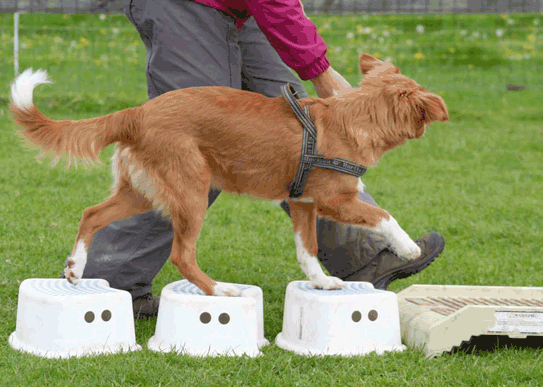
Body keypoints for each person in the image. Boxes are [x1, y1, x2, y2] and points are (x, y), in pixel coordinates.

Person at [70, 0, 445, 318]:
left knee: (305, 135)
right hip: (184, 6)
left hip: (246, 10)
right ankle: (108, 284)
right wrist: (320, 71)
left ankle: (369, 255)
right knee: (193, 153)